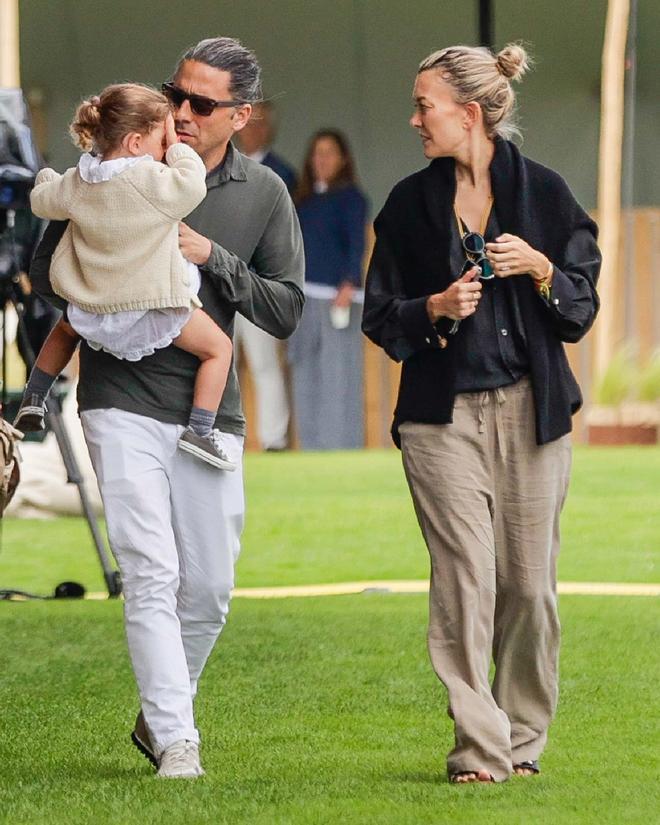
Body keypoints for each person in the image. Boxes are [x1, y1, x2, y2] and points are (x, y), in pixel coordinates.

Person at [30, 37, 304, 778]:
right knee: (150, 571)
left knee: (209, 588)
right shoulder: (119, 161)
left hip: (210, 416)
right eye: (174, 94)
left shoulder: (265, 194)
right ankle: (180, 744)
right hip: (117, 400)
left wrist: (211, 256)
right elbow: (42, 267)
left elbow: (285, 310)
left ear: (240, 116)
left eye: (202, 103)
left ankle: (158, 720)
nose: (180, 112)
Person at [362, 43, 600, 783]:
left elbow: (581, 304)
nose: (414, 119)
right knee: (465, 579)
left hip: (533, 413)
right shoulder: (407, 205)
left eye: (423, 105)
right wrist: (433, 307)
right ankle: (480, 748)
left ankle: (523, 737)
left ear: (467, 113)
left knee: (528, 585)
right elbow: (381, 316)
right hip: (442, 420)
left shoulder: (549, 195)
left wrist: (541, 270)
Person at [18, 83, 236, 470]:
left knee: (65, 330)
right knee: (218, 349)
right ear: (136, 142)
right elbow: (192, 183)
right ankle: (201, 430)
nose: (166, 145)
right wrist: (179, 148)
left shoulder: (78, 181)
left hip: (93, 309)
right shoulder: (151, 180)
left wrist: (47, 178)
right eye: (162, 136)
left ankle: (34, 397)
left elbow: (42, 200)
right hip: (150, 305)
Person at [289, 129, 367, 449]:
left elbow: (356, 245)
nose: (321, 159)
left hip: (338, 298)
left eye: (329, 152)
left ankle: (342, 446)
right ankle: (311, 447)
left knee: (339, 377)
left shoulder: (352, 198)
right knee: (304, 373)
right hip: (303, 298)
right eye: (316, 152)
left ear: (343, 158)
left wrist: (349, 282)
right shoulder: (301, 200)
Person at [233, 101, 297, 451]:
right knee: (221, 364)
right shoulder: (224, 165)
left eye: (259, 124)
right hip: (221, 282)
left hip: (259, 284)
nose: (252, 130)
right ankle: (224, 436)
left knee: (264, 365)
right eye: (248, 123)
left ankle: (274, 439)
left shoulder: (282, 173)